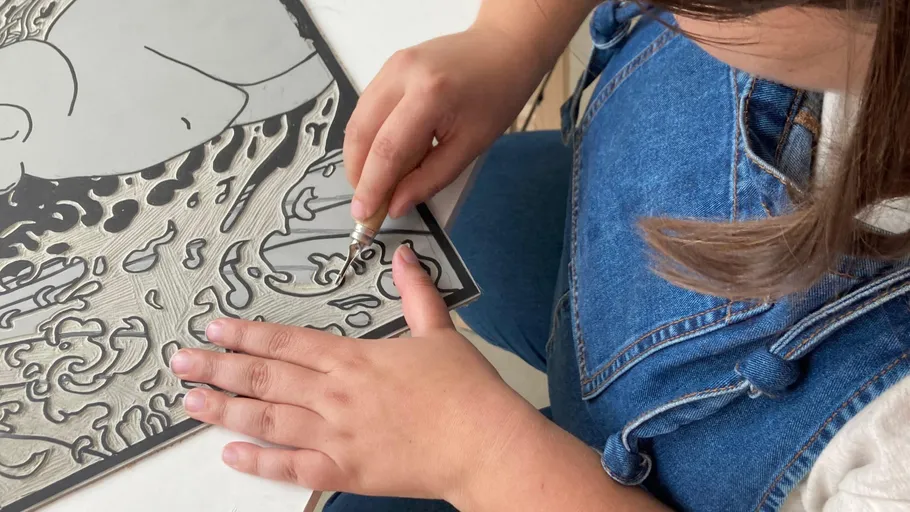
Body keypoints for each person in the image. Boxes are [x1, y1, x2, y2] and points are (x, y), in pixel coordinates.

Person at [167, 0, 910, 510]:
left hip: (614, 478)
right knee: (474, 219)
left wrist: (480, 454)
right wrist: (507, 42)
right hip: (615, 206)